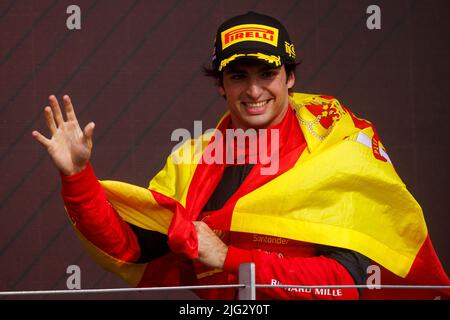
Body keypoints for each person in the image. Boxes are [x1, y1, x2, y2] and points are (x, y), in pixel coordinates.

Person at [32, 11, 448, 300]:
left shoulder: (339, 149)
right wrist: (78, 178)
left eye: (267, 74)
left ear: (290, 77)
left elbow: (344, 285)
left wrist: (228, 258)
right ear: (221, 85)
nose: (253, 91)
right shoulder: (193, 161)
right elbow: (130, 248)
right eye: (238, 77)